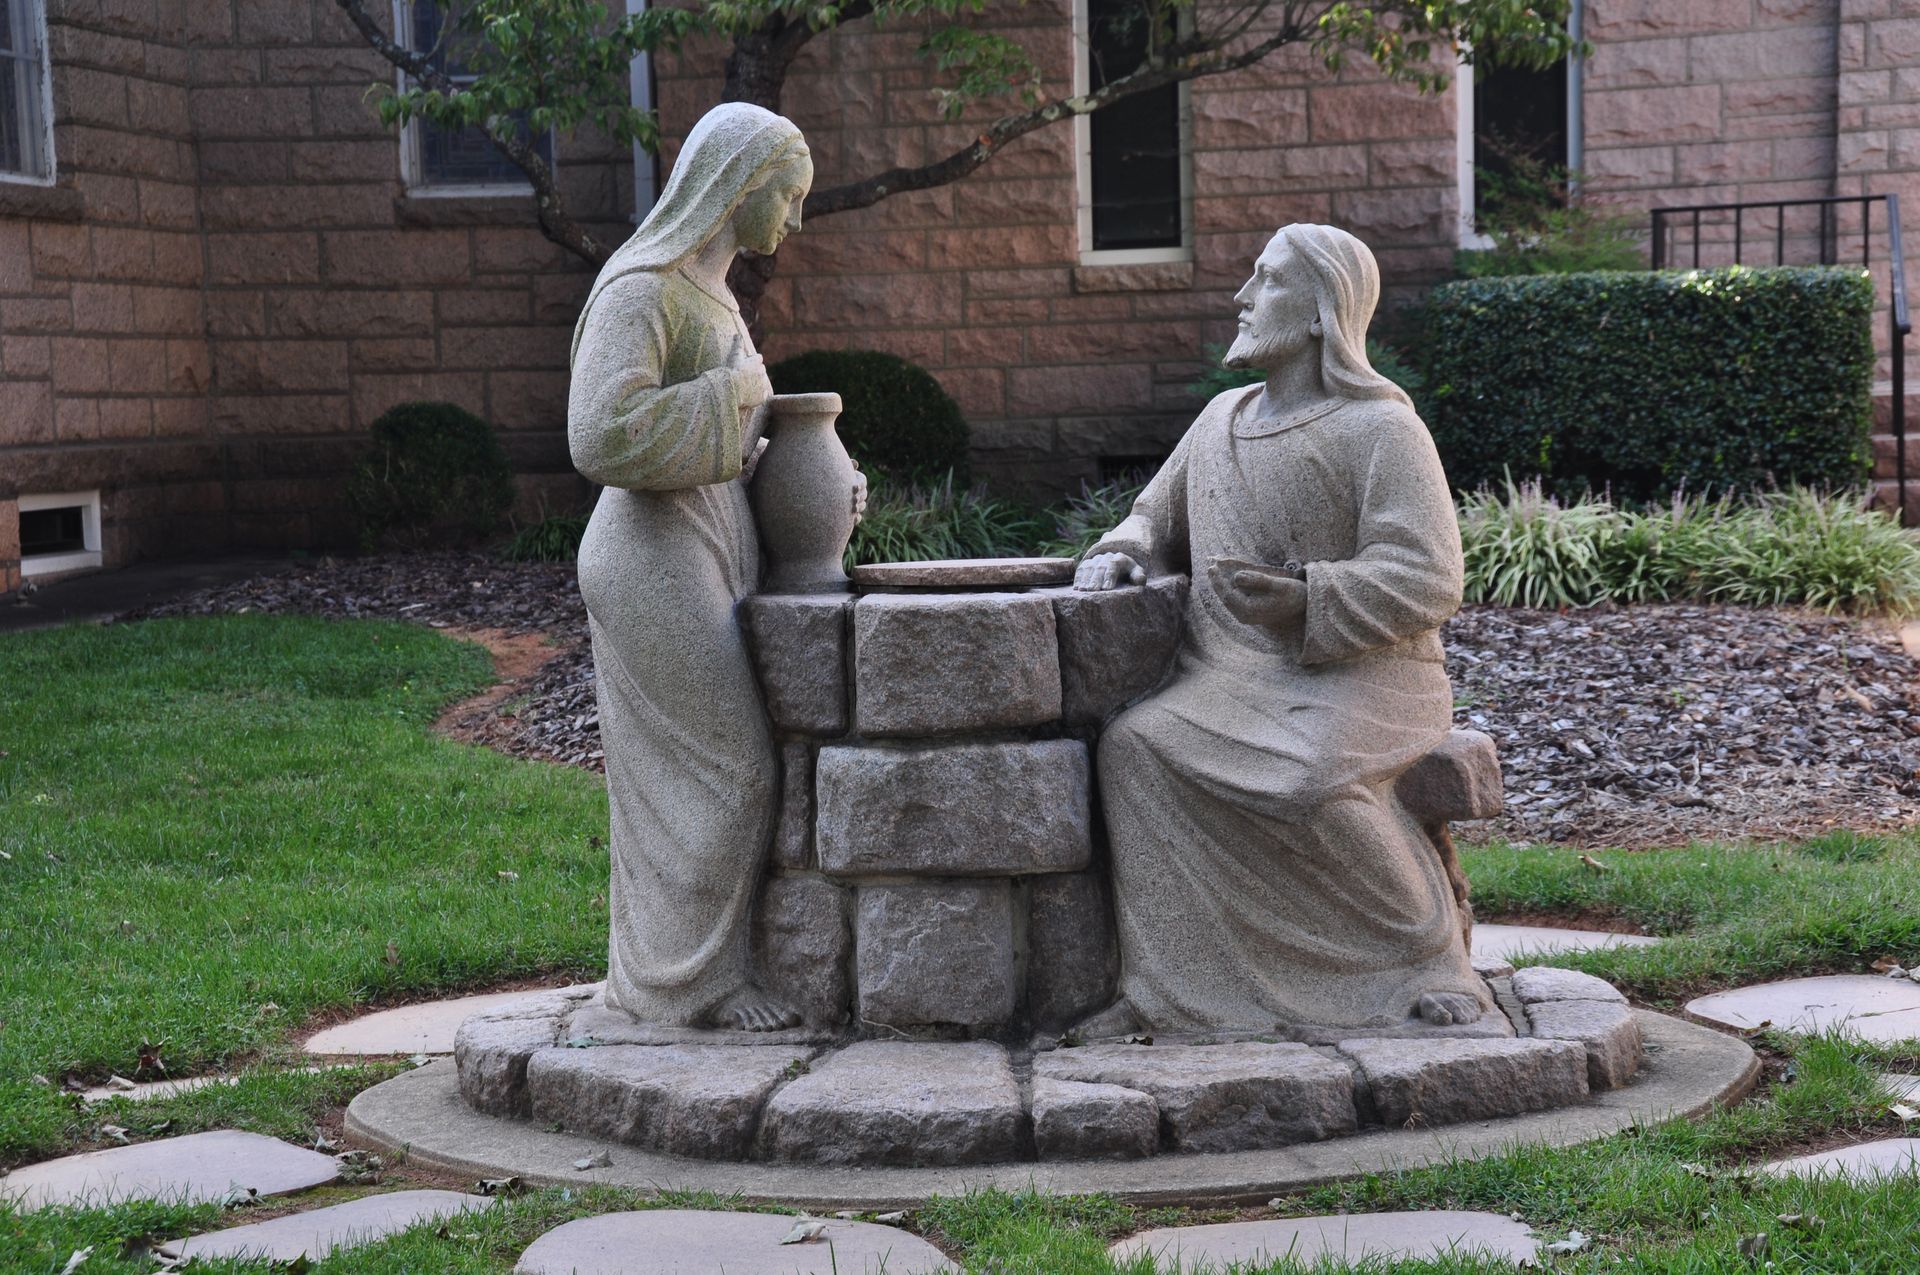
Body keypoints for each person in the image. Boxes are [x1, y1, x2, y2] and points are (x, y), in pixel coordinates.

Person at [1072, 224, 1488, 1035]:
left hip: (1364, 676)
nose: (1242, 296)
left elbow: (1431, 576)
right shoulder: (1219, 420)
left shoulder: (1381, 430)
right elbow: (1151, 515)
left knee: (1308, 775)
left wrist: (1308, 597)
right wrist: (1124, 549)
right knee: (1134, 748)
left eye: (1266, 280)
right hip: (1230, 674)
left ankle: (1426, 960)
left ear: (1321, 310)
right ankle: (1173, 990)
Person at [567, 104, 859, 1031]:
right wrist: (733, 394)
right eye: (789, 196)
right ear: (738, 185)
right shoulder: (642, 289)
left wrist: (815, 477)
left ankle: (683, 972)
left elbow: (731, 443)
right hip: (650, 551)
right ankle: (685, 984)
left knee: (714, 768)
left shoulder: (717, 294)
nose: (796, 219)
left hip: (709, 539)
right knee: (731, 765)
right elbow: (597, 434)